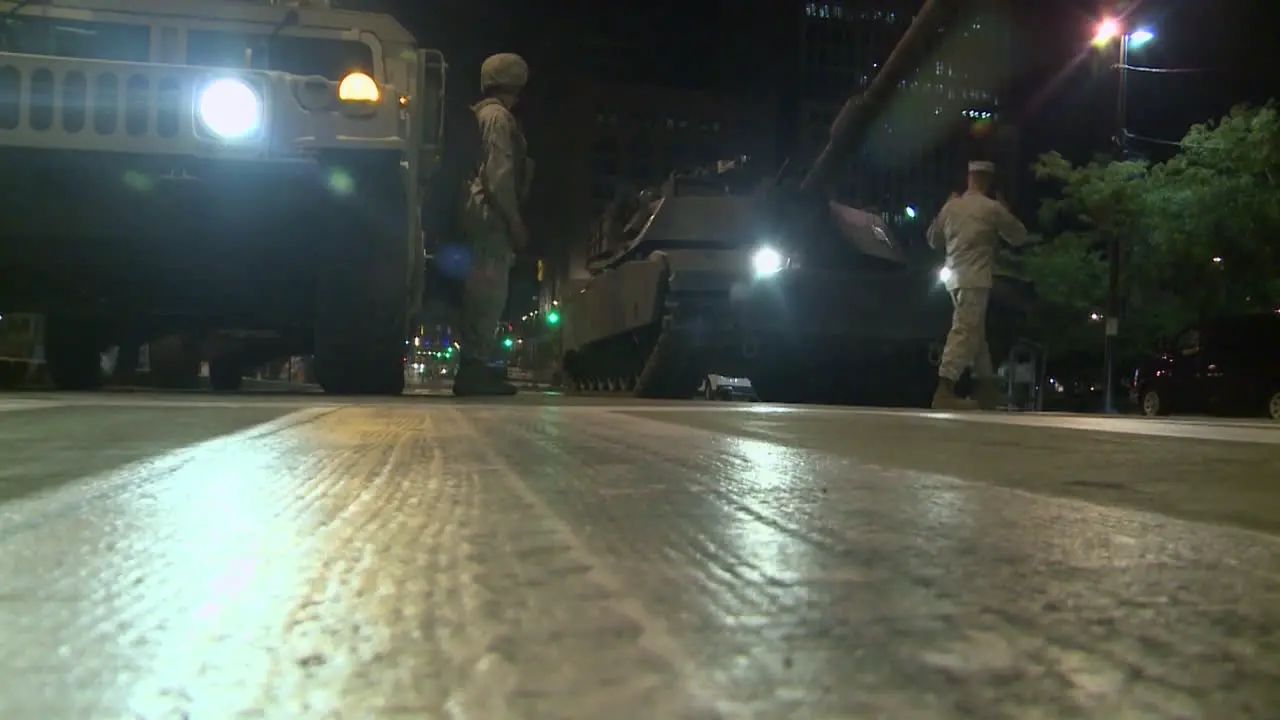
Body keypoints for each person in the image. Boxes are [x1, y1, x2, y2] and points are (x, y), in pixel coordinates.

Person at [454, 53, 532, 396]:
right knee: (489, 290)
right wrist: (515, 222)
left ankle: (477, 365)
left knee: (483, 287)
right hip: (491, 214)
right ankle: (473, 367)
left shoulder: (481, 114)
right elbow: (499, 175)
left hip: (477, 210)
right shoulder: (499, 118)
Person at [926, 160, 1029, 410]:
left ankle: (987, 389)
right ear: (987, 181)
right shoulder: (991, 208)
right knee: (964, 330)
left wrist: (944, 209)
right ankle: (944, 389)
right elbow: (1019, 236)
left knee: (976, 334)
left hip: (954, 279)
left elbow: (933, 240)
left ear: (969, 178)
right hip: (976, 278)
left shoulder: (951, 207)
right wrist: (1006, 209)